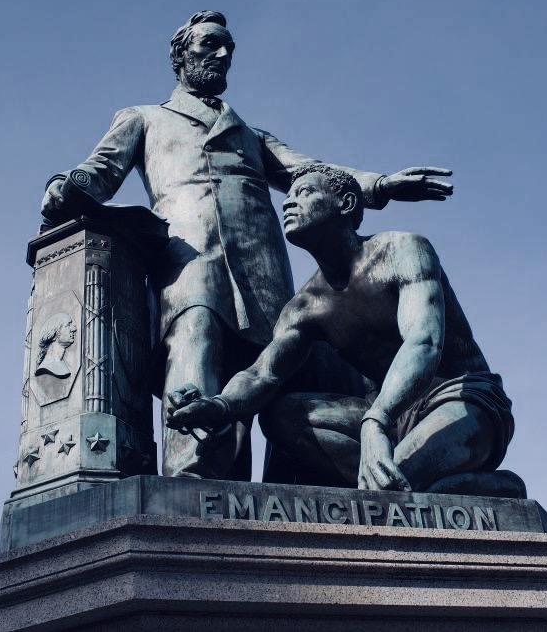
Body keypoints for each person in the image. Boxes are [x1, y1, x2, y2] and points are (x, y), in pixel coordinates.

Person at [41, 10, 453, 481]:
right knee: (196, 353)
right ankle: (192, 479)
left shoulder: (251, 136)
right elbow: (99, 172)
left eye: (228, 49)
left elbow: (311, 171)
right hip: (190, 266)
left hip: (265, 274)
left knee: (282, 375)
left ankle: (292, 493)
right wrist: (63, 187)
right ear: (180, 56)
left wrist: (378, 185)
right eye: (209, 45)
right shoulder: (144, 119)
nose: (222, 55)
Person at [165, 163, 525, 497]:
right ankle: (420, 481)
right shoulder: (305, 305)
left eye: (305, 192)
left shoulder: (403, 249)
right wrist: (219, 406)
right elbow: (263, 375)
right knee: (281, 416)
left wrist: (376, 420)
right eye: (288, 195)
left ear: (346, 203)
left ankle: (491, 488)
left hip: (460, 399)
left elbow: (424, 342)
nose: (289, 202)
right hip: (390, 416)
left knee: (391, 486)